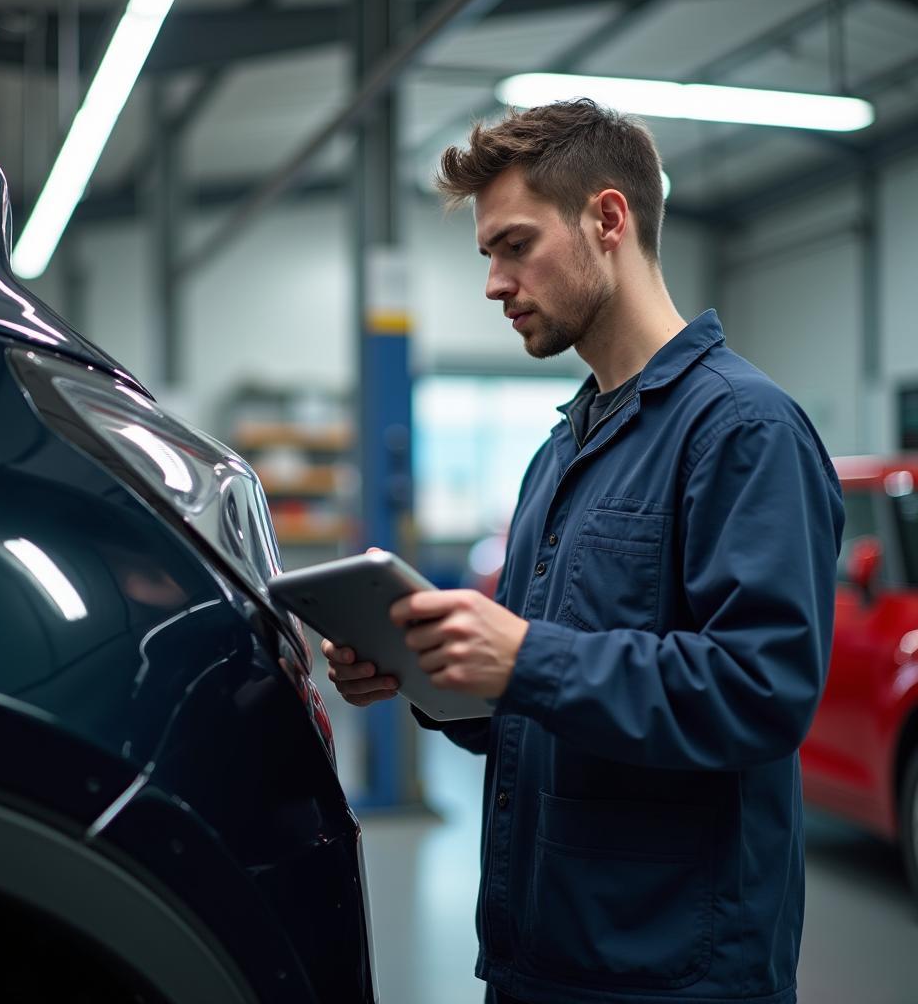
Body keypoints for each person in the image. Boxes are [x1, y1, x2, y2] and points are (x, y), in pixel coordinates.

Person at [324, 98, 844, 1004]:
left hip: (674, 973)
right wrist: (423, 671)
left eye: (514, 245)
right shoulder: (560, 453)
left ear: (608, 220)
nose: (493, 281)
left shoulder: (743, 431)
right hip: (540, 955)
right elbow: (531, 704)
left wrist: (526, 654)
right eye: (487, 252)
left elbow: (762, 693)